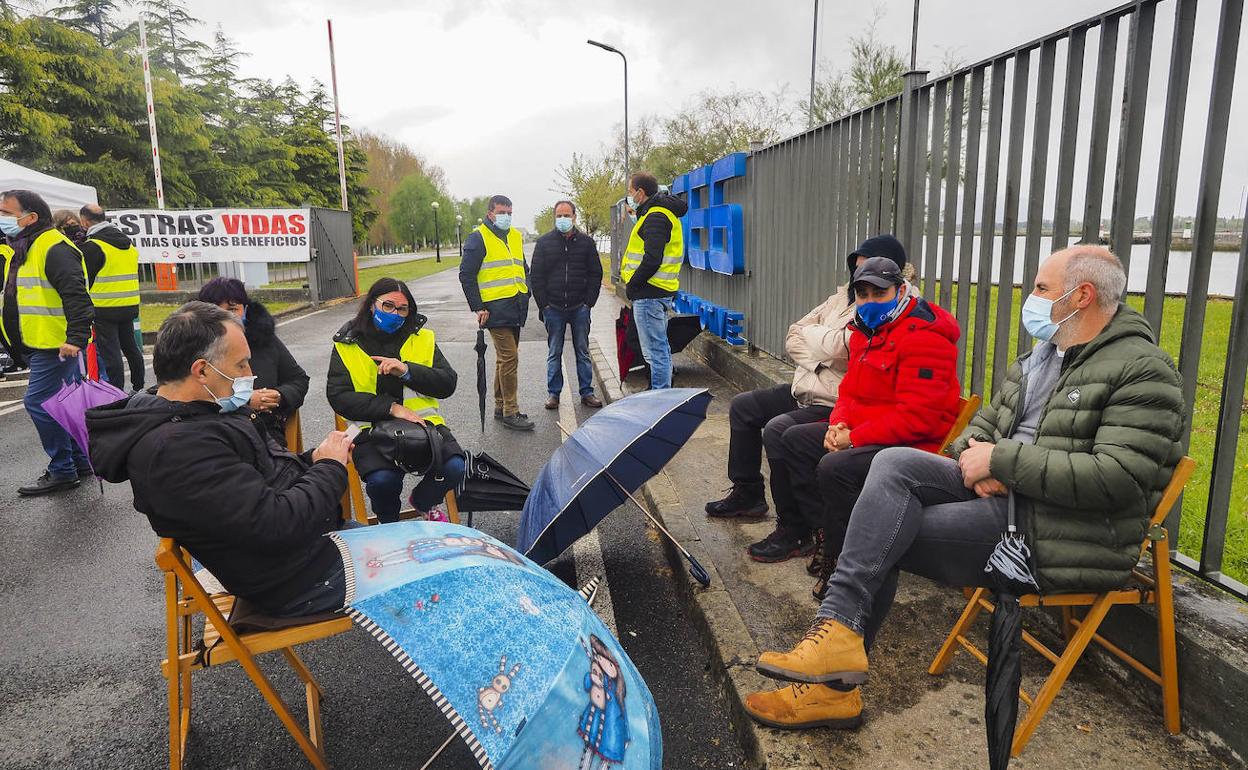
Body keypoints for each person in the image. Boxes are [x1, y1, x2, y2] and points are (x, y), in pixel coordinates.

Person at [741, 246, 1186, 731]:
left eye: (1041, 288)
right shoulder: (1042, 356)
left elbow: (1118, 478)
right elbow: (981, 430)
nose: (1030, 298)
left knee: (887, 530)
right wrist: (979, 459)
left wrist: (1004, 462)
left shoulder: (1144, 370)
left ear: (1082, 296)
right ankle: (838, 640)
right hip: (1003, 491)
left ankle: (832, 683)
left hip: (1055, 525)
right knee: (889, 467)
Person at [86, 302, 354, 618]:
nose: (251, 376)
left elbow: (262, 480)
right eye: (241, 365)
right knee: (426, 573)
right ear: (201, 371)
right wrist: (330, 467)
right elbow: (277, 523)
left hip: (303, 553)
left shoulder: (198, 415)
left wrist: (315, 458)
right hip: (296, 580)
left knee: (425, 548)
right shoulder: (178, 449)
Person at [747, 255, 962, 597]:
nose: (870, 302)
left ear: (901, 290)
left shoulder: (925, 337)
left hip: (914, 445)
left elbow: (917, 419)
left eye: (880, 293)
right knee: (793, 439)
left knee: (836, 467)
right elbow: (849, 390)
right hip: (868, 431)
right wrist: (838, 423)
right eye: (862, 294)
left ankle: (845, 565)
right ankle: (823, 534)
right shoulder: (867, 331)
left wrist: (853, 438)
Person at [705, 236, 909, 528]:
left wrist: (816, 342)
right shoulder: (840, 298)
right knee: (743, 406)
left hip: (832, 398)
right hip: (807, 383)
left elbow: (848, 347)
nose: (859, 278)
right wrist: (818, 359)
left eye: (870, 271)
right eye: (858, 269)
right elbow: (793, 335)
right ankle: (748, 493)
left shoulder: (888, 305)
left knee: (779, 430)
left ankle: (795, 525)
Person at [327, 277, 466, 523]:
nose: (395, 314)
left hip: (423, 425)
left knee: (455, 467)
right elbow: (339, 397)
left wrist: (407, 371)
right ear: (372, 305)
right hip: (369, 429)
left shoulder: (421, 338)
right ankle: (388, 523)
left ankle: (423, 501)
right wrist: (390, 408)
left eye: (402, 309)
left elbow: (447, 383)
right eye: (388, 306)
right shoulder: (347, 343)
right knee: (383, 481)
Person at [0, 190, 95, 496]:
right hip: (42, 341)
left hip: (56, 345)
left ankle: (62, 470)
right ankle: (79, 461)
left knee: (38, 403)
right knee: (61, 403)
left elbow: (77, 296)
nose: (2, 219)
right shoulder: (27, 245)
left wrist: (75, 339)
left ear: (30, 218)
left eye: (6, 213)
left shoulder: (53, 247)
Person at [196, 277, 309, 448]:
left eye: (233, 309)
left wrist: (277, 396)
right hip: (208, 435)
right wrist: (245, 401)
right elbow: (183, 396)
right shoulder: (189, 345)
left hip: (265, 434)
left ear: (246, 310)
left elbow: (298, 380)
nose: (225, 316)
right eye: (215, 310)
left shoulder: (265, 340)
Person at [459, 194, 533, 431]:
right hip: (494, 310)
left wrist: (527, 289)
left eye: (510, 212)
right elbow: (466, 275)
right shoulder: (478, 238)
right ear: (490, 213)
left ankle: (500, 406)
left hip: (517, 305)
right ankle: (511, 411)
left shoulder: (516, 236)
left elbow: (522, 266)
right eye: (502, 212)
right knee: (510, 357)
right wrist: (478, 307)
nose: (506, 217)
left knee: (505, 359)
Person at [530, 200, 604, 410]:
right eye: (559, 216)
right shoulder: (544, 243)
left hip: (579, 307)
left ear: (574, 217)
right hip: (553, 308)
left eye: (567, 215)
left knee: (582, 350)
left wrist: (589, 302)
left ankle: (587, 392)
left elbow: (595, 273)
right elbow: (536, 276)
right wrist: (543, 304)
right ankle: (554, 394)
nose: (563, 219)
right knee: (554, 352)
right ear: (555, 217)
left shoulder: (587, 243)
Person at [621, 172, 689, 390]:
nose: (629, 197)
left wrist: (633, 286)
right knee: (660, 349)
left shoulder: (656, 216)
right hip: (656, 291)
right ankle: (661, 394)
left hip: (649, 293)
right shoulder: (658, 213)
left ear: (640, 192)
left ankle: (660, 399)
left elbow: (652, 259)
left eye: (630, 192)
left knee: (655, 352)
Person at [77, 204, 145, 392]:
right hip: (129, 305)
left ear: (84, 221)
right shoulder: (128, 243)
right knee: (131, 348)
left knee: (111, 353)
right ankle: (139, 387)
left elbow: (84, 279)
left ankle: (115, 392)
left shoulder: (92, 246)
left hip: (104, 307)